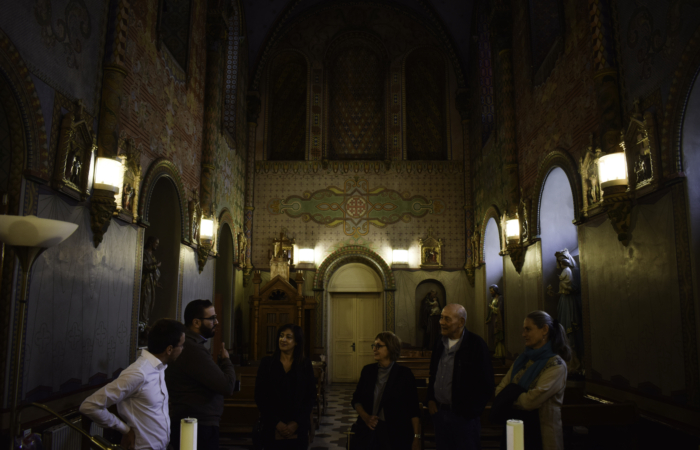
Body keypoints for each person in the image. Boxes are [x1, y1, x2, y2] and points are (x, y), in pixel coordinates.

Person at [80, 319, 186, 450]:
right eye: (181, 345)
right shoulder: (139, 373)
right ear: (169, 349)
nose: (183, 349)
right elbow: (89, 406)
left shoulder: (159, 368)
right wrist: (124, 429)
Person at [166, 299, 237, 450]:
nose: (216, 322)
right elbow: (227, 386)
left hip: (196, 422)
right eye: (212, 318)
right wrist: (226, 361)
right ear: (196, 322)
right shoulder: (192, 349)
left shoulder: (191, 345)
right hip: (197, 425)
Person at [495, 310, 571, 450]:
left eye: (528, 329)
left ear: (544, 330)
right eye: (524, 330)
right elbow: (500, 390)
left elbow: (531, 401)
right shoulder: (522, 359)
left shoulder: (556, 365)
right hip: (515, 430)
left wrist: (509, 396)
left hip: (542, 434)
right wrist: (510, 394)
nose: (523, 334)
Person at [426, 303, 494, 450]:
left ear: (461, 322)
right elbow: (433, 373)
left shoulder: (476, 345)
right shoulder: (439, 342)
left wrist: (470, 412)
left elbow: (486, 383)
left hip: (464, 419)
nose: (441, 322)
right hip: (440, 414)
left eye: (447, 319)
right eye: (441, 318)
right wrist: (430, 398)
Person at [351, 331, 421, 450]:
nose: (374, 349)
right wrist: (366, 417)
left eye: (379, 346)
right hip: (369, 430)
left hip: (396, 434)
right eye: (374, 345)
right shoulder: (368, 371)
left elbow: (413, 409)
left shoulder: (404, 375)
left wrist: (416, 437)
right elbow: (356, 400)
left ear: (391, 348)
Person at [255, 324, 316, 449]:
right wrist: (277, 423)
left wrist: (296, 423)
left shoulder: (305, 365)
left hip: (297, 427)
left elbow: (310, 397)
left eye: (288, 337)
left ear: (297, 342)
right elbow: (260, 396)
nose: (283, 340)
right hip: (272, 426)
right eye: (281, 336)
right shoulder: (267, 364)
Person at [140, 236, 161, 326]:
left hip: (151, 284)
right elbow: (145, 267)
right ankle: (142, 323)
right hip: (145, 283)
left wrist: (156, 282)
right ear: (151, 242)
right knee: (144, 303)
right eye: (156, 243)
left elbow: (154, 272)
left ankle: (145, 323)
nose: (156, 245)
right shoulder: (144, 254)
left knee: (149, 303)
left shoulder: (152, 257)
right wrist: (156, 265)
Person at [485, 285, 506, 359]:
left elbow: (500, 310)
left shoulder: (500, 298)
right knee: (494, 334)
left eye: (492, 291)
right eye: (490, 291)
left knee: (498, 333)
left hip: (498, 319)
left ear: (496, 290)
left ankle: (500, 352)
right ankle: (496, 351)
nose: (491, 292)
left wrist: (492, 307)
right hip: (493, 318)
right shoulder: (493, 299)